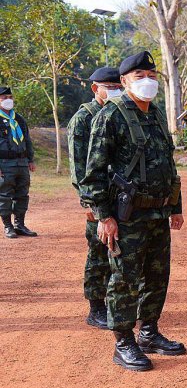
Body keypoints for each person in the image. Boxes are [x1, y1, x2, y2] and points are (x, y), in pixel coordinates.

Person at [81, 50, 185, 372]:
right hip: (126, 217)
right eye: (140, 76)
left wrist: (175, 205)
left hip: (157, 214)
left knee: (156, 275)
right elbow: (94, 173)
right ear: (124, 81)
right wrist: (104, 216)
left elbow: (167, 163)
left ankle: (149, 332)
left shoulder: (155, 114)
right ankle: (123, 341)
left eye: (152, 76)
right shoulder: (110, 116)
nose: (148, 81)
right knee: (124, 278)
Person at [67, 66, 123, 329]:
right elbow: (79, 167)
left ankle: (116, 304)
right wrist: (88, 203)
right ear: (95, 89)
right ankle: (96, 307)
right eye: (109, 87)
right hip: (97, 198)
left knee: (119, 251)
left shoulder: (121, 113)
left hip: (121, 197)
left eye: (117, 86)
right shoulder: (83, 118)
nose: (115, 91)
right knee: (99, 252)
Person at [0, 86, 36, 239]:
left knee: (22, 194)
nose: (8, 100)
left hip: (21, 162)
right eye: (3, 98)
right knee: (5, 195)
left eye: (10, 97)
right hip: (4, 163)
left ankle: (19, 225)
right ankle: (8, 227)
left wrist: (30, 159)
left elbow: (27, 140)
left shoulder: (18, 118)